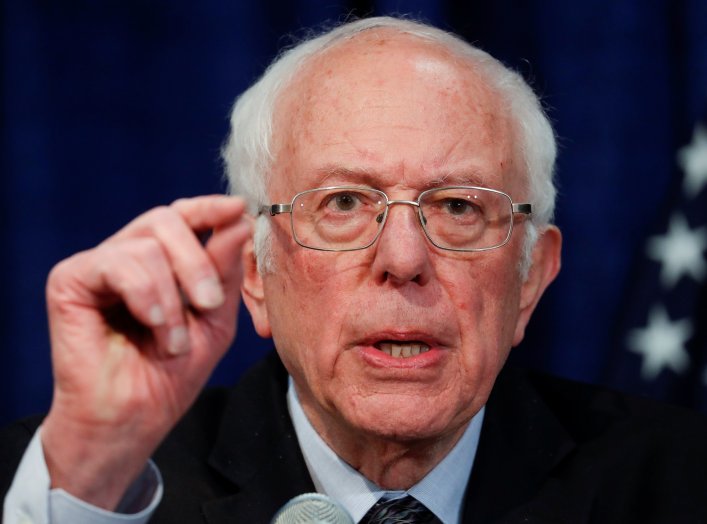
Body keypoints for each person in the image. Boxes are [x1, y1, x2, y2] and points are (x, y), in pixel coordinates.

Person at [2, 16, 707, 524]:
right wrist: (93, 473)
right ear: (254, 270)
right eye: (343, 202)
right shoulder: (76, 489)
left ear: (529, 279)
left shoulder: (680, 483)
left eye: (459, 207)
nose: (402, 260)